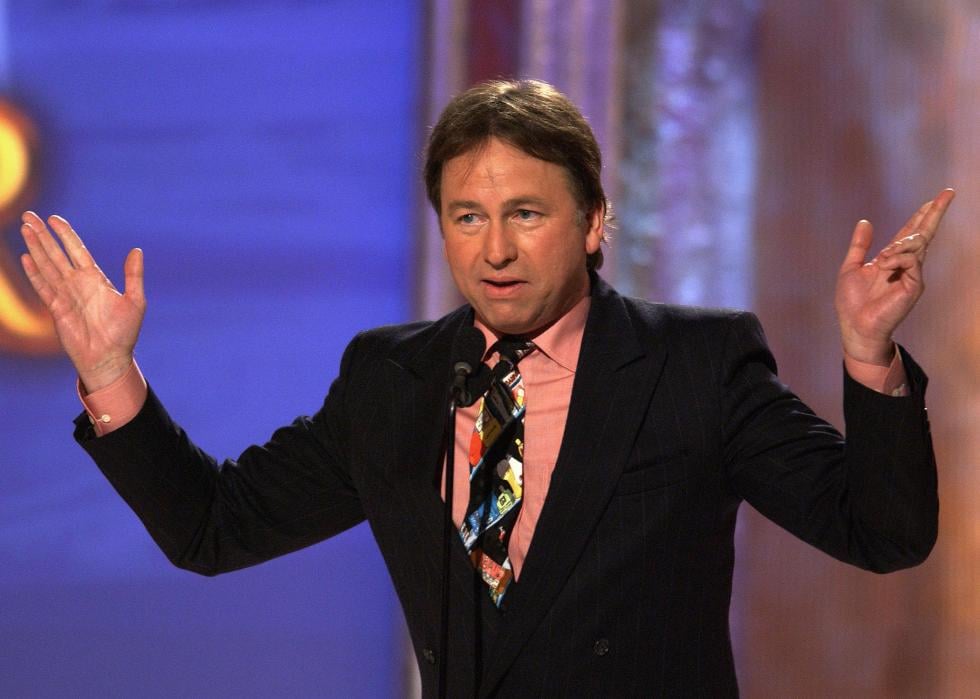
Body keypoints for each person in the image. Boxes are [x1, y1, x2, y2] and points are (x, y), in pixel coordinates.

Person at [19, 79, 951, 697]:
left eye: (525, 215)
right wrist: (109, 372)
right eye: (467, 216)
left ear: (593, 222)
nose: (493, 249)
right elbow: (212, 528)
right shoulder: (393, 379)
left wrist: (868, 354)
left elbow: (882, 530)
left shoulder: (694, 365)